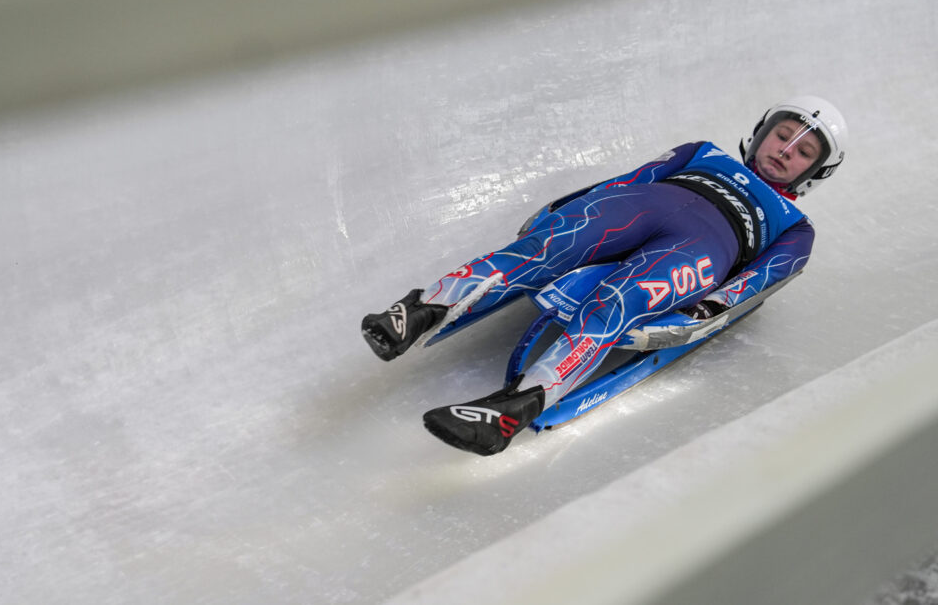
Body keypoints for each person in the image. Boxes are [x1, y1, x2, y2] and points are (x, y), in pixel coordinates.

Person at [361, 96, 847, 456]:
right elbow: (629, 181)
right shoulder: (702, 152)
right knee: (548, 247)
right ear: (763, 132)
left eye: (804, 152)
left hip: (705, 248)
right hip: (641, 206)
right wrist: (561, 210)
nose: (787, 151)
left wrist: (702, 313)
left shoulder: (795, 227)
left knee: (616, 304)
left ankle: (514, 409)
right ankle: (422, 310)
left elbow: (755, 284)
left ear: (815, 171)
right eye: (784, 136)